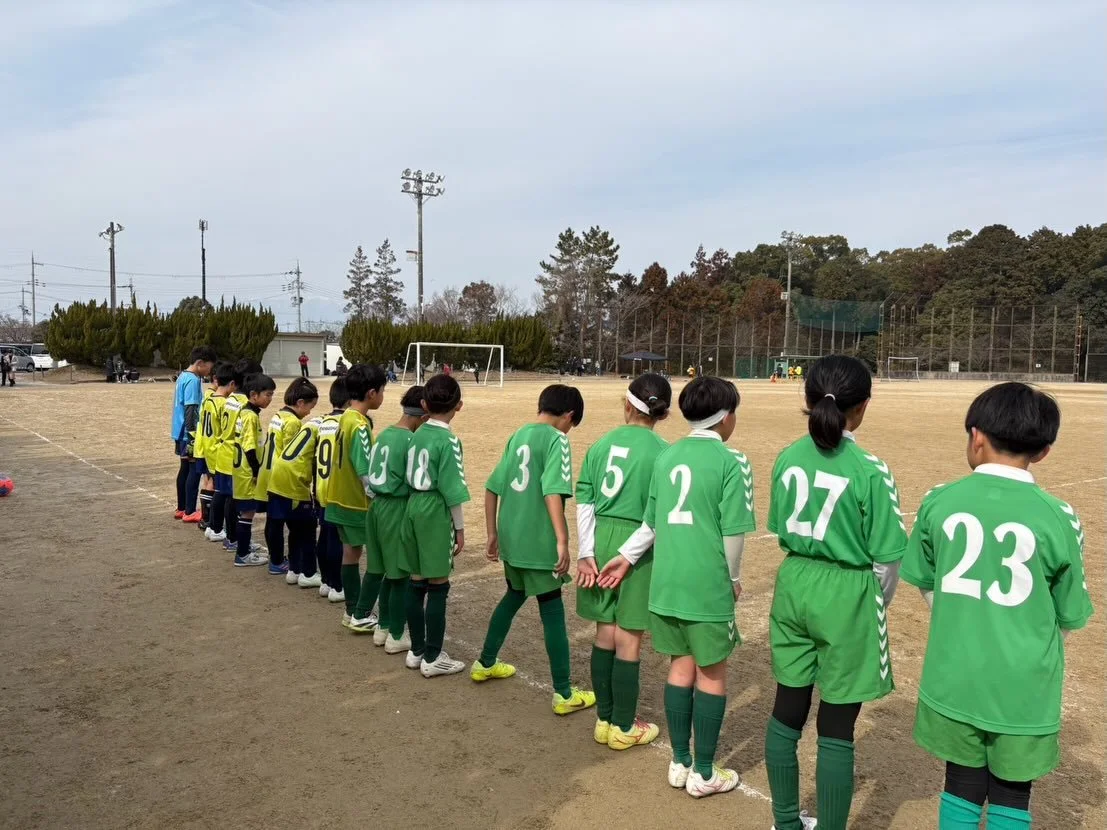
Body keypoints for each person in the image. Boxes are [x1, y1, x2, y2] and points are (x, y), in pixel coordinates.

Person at [902, 382, 1092, 830]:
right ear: (1044, 451)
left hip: (956, 672)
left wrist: (961, 618)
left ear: (975, 436)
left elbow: (927, 581)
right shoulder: (1059, 516)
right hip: (1022, 687)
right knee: (1012, 789)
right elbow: (1068, 616)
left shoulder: (939, 501)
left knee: (961, 780)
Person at [762, 355, 907, 830]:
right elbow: (888, 558)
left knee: (787, 709)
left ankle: (784, 821)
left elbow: (780, 525)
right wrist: (873, 606)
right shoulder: (871, 469)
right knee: (837, 727)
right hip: (846, 592)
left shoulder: (787, 456)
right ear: (862, 406)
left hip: (794, 582)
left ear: (808, 400)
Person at [600, 376, 755, 798]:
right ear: (725, 417)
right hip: (706, 585)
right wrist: (734, 578)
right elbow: (733, 534)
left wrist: (627, 555)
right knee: (712, 673)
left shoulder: (667, 458)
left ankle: (679, 761)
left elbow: (650, 521)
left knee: (679, 667)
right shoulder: (731, 461)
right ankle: (704, 771)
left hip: (665, 584)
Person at [474, 384, 596, 715]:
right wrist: (562, 540)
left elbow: (490, 487)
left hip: (511, 535)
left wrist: (491, 533)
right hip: (538, 539)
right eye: (573, 423)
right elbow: (552, 491)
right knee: (552, 609)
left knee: (514, 594)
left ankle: (485, 661)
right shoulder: (557, 439)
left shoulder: (518, 435)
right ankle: (563, 692)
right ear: (569, 416)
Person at [576, 373, 671, 750]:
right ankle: (624, 726)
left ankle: (604, 720)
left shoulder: (601, 444)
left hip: (600, 540)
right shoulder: (664, 452)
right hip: (637, 546)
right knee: (630, 636)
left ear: (628, 405)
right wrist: (629, 556)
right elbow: (658, 513)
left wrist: (587, 551)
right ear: (661, 414)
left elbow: (585, 499)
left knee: (605, 631)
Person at [347, 385, 427, 655]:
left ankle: (383, 627)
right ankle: (396, 634)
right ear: (422, 415)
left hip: (377, 507)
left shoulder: (383, 435)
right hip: (396, 507)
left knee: (383, 572)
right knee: (400, 575)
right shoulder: (410, 440)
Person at [402, 374, 470, 677]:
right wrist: (459, 528)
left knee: (415, 581)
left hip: (412, 505)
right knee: (438, 584)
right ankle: (432, 657)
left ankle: (416, 651)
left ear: (425, 404)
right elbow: (452, 489)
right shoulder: (449, 440)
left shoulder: (415, 434)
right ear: (459, 406)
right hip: (433, 510)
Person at [324, 364, 387, 625]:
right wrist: (377, 496)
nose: (383, 396)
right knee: (380, 558)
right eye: (383, 391)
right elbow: (364, 469)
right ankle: (360, 612)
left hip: (337, 498)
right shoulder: (360, 425)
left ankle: (352, 609)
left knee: (350, 552)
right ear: (372, 393)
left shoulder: (345, 418)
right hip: (356, 504)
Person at [258, 378, 319, 575]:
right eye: (310, 407)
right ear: (300, 402)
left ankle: (276, 560)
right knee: (293, 524)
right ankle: (281, 562)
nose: (309, 412)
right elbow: (292, 454)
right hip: (284, 478)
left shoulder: (279, 415)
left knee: (274, 520)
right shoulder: (293, 423)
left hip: (269, 472)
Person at [209, 359, 263, 555]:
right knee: (234, 500)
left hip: (224, 453)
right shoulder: (243, 403)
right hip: (235, 455)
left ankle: (230, 536)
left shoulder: (230, 398)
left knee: (227, 497)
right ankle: (233, 539)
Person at [231, 373, 276, 566]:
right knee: (247, 514)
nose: (270, 398)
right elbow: (249, 447)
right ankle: (242, 555)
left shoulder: (246, 412)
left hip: (241, 470)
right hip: (246, 472)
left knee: (245, 513)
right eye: (267, 394)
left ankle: (244, 550)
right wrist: (257, 472)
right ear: (254, 394)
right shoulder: (249, 416)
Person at [313, 378, 351, 598]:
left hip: (320, 485)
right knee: (336, 538)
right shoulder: (347, 423)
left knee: (325, 534)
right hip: (337, 488)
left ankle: (326, 581)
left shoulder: (322, 421)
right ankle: (337, 586)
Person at [171, 346, 217, 521]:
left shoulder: (182, 376)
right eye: (209, 367)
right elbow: (191, 408)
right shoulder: (192, 380)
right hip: (188, 432)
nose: (209, 372)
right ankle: (190, 511)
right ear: (200, 363)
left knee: (184, 469)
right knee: (193, 471)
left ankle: (181, 508)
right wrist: (193, 435)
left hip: (178, 430)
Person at [202, 363, 236, 542]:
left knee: (218, 489)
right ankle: (215, 527)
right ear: (231, 384)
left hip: (208, 448)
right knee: (222, 491)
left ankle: (212, 526)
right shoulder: (223, 404)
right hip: (218, 450)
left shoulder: (209, 399)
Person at [193, 365, 226, 530]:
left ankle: (206, 519)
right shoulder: (218, 400)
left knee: (207, 481)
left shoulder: (208, 395)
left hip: (202, 444)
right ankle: (209, 520)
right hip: (210, 445)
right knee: (212, 482)